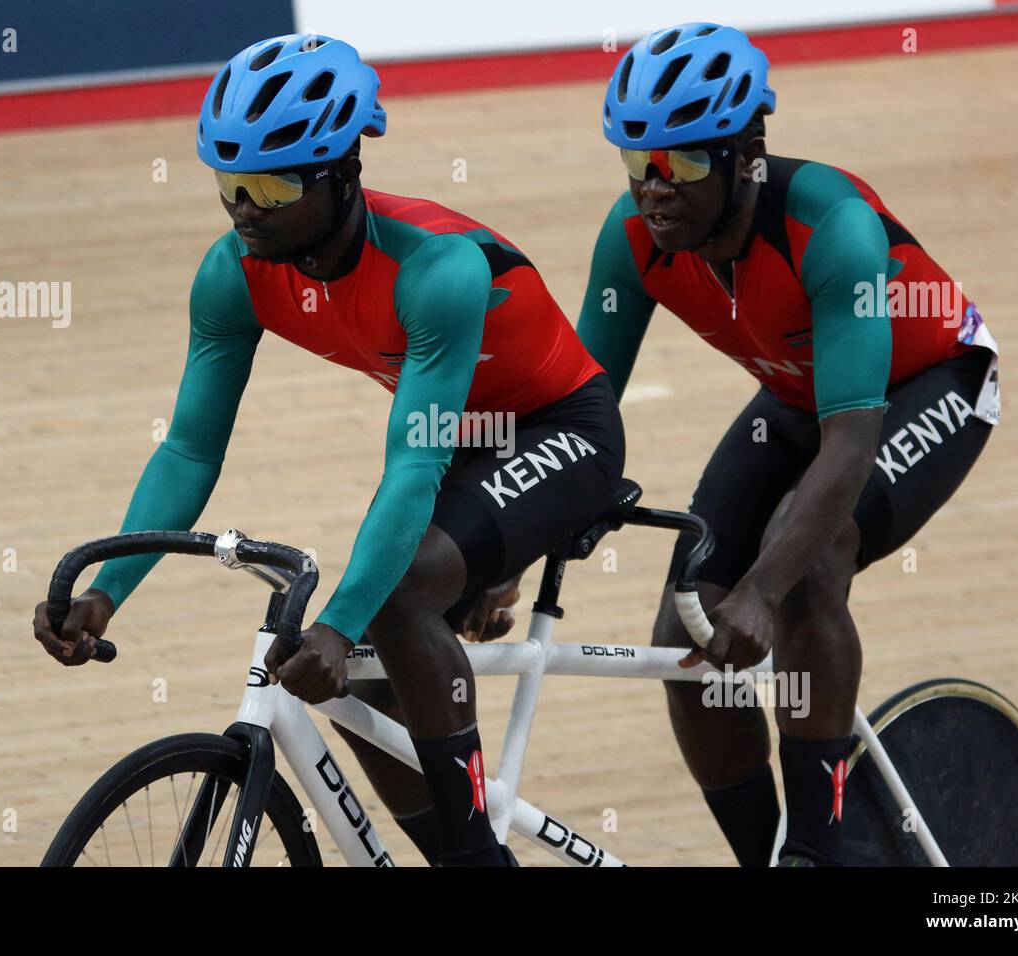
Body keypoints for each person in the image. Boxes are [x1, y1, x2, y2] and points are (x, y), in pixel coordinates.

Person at [32, 33, 625, 867]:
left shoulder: (437, 272)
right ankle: (447, 842)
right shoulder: (233, 272)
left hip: (560, 429)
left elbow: (414, 469)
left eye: (271, 185)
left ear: (343, 171)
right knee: (372, 664)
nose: (244, 207)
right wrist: (108, 591)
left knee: (392, 596)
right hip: (456, 436)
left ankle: (474, 859)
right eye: (229, 183)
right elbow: (191, 451)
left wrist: (340, 625)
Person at [577, 22, 1000, 866]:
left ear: (748, 154)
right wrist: (509, 558)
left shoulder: (831, 225)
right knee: (684, 639)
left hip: (931, 385)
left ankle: (816, 849)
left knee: (807, 569)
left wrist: (763, 592)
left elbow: (850, 446)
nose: (655, 191)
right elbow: (578, 416)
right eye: (638, 164)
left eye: (685, 164)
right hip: (799, 392)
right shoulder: (632, 242)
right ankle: (765, 856)